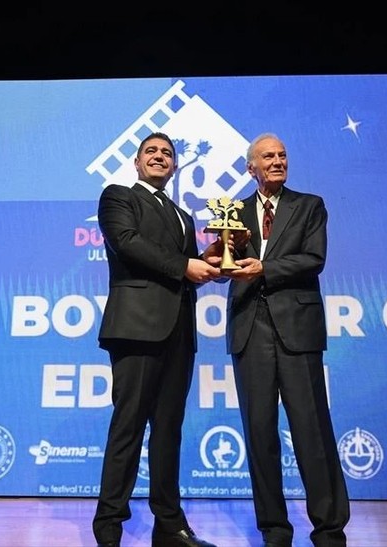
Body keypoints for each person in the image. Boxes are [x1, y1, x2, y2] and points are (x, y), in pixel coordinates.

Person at [92, 131, 224, 547]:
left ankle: (169, 526)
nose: (159, 157)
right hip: (136, 329)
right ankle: (109, 529)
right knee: (128, 429)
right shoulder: (118, 197)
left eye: (167, 153)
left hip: (179, 334)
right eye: (151, 151)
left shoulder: (184, 216)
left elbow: (183, 272)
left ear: (175, 165)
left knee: (168, 433)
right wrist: (186, 265)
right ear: (137, 162)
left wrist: (209, 261)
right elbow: (128, 244)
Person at [221, 133, 350, 547]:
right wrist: (217, 258)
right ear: (251, 167)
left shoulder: (309, 206)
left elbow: (314, 259)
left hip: (297, 329)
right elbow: (224, 266)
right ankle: (274, 530)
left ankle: (329, 530)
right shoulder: (233, 211)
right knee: (259, 434)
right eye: (268, 157)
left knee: (312, 431)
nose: (277, 161)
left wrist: (265, 268)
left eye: (282, 155)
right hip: (249, 329)